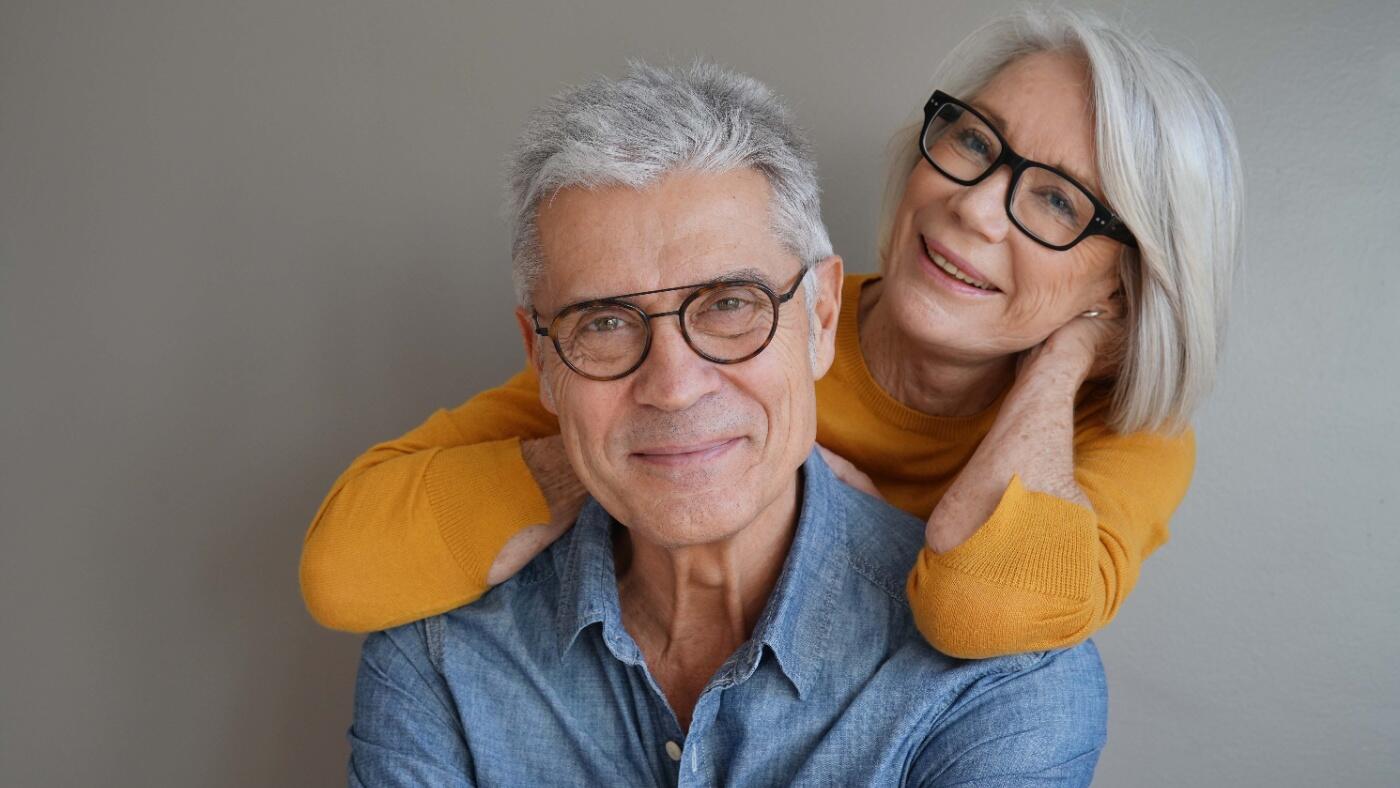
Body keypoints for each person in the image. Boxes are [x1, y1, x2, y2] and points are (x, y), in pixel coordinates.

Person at [303, 6, 1242, 658]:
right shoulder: (744, 319)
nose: (974, 209)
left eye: (1056, 201)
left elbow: (989, 608)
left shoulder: (1121, 436)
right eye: (973, 142)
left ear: (1124, 281)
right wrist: (639, 446)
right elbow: (346, 567)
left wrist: (1069, 354)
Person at [348, 61, 1107, 786]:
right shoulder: (439, 655)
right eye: (606, 321)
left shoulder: (1003, 681)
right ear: (541, 362)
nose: (674, 388)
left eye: (731, 304)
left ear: (820, 316)